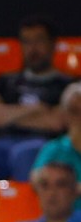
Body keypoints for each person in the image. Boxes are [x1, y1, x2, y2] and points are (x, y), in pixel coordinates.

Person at [0, 15, 74, 183]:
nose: (32, 48)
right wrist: (37, 109)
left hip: (43, 144)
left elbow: (57, 121)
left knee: (25, 155)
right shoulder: (5, 80)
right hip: (0, 144)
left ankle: (30, 210)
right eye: (26, 42)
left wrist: (7, 115)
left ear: (53, 44)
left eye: (39, 41)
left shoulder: (67, 83)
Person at [32, 82, 81, 210]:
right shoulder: (53, 149)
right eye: (74, 111)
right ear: (65, 115)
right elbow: (36, 179)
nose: (79, 118)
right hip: (65, 220)